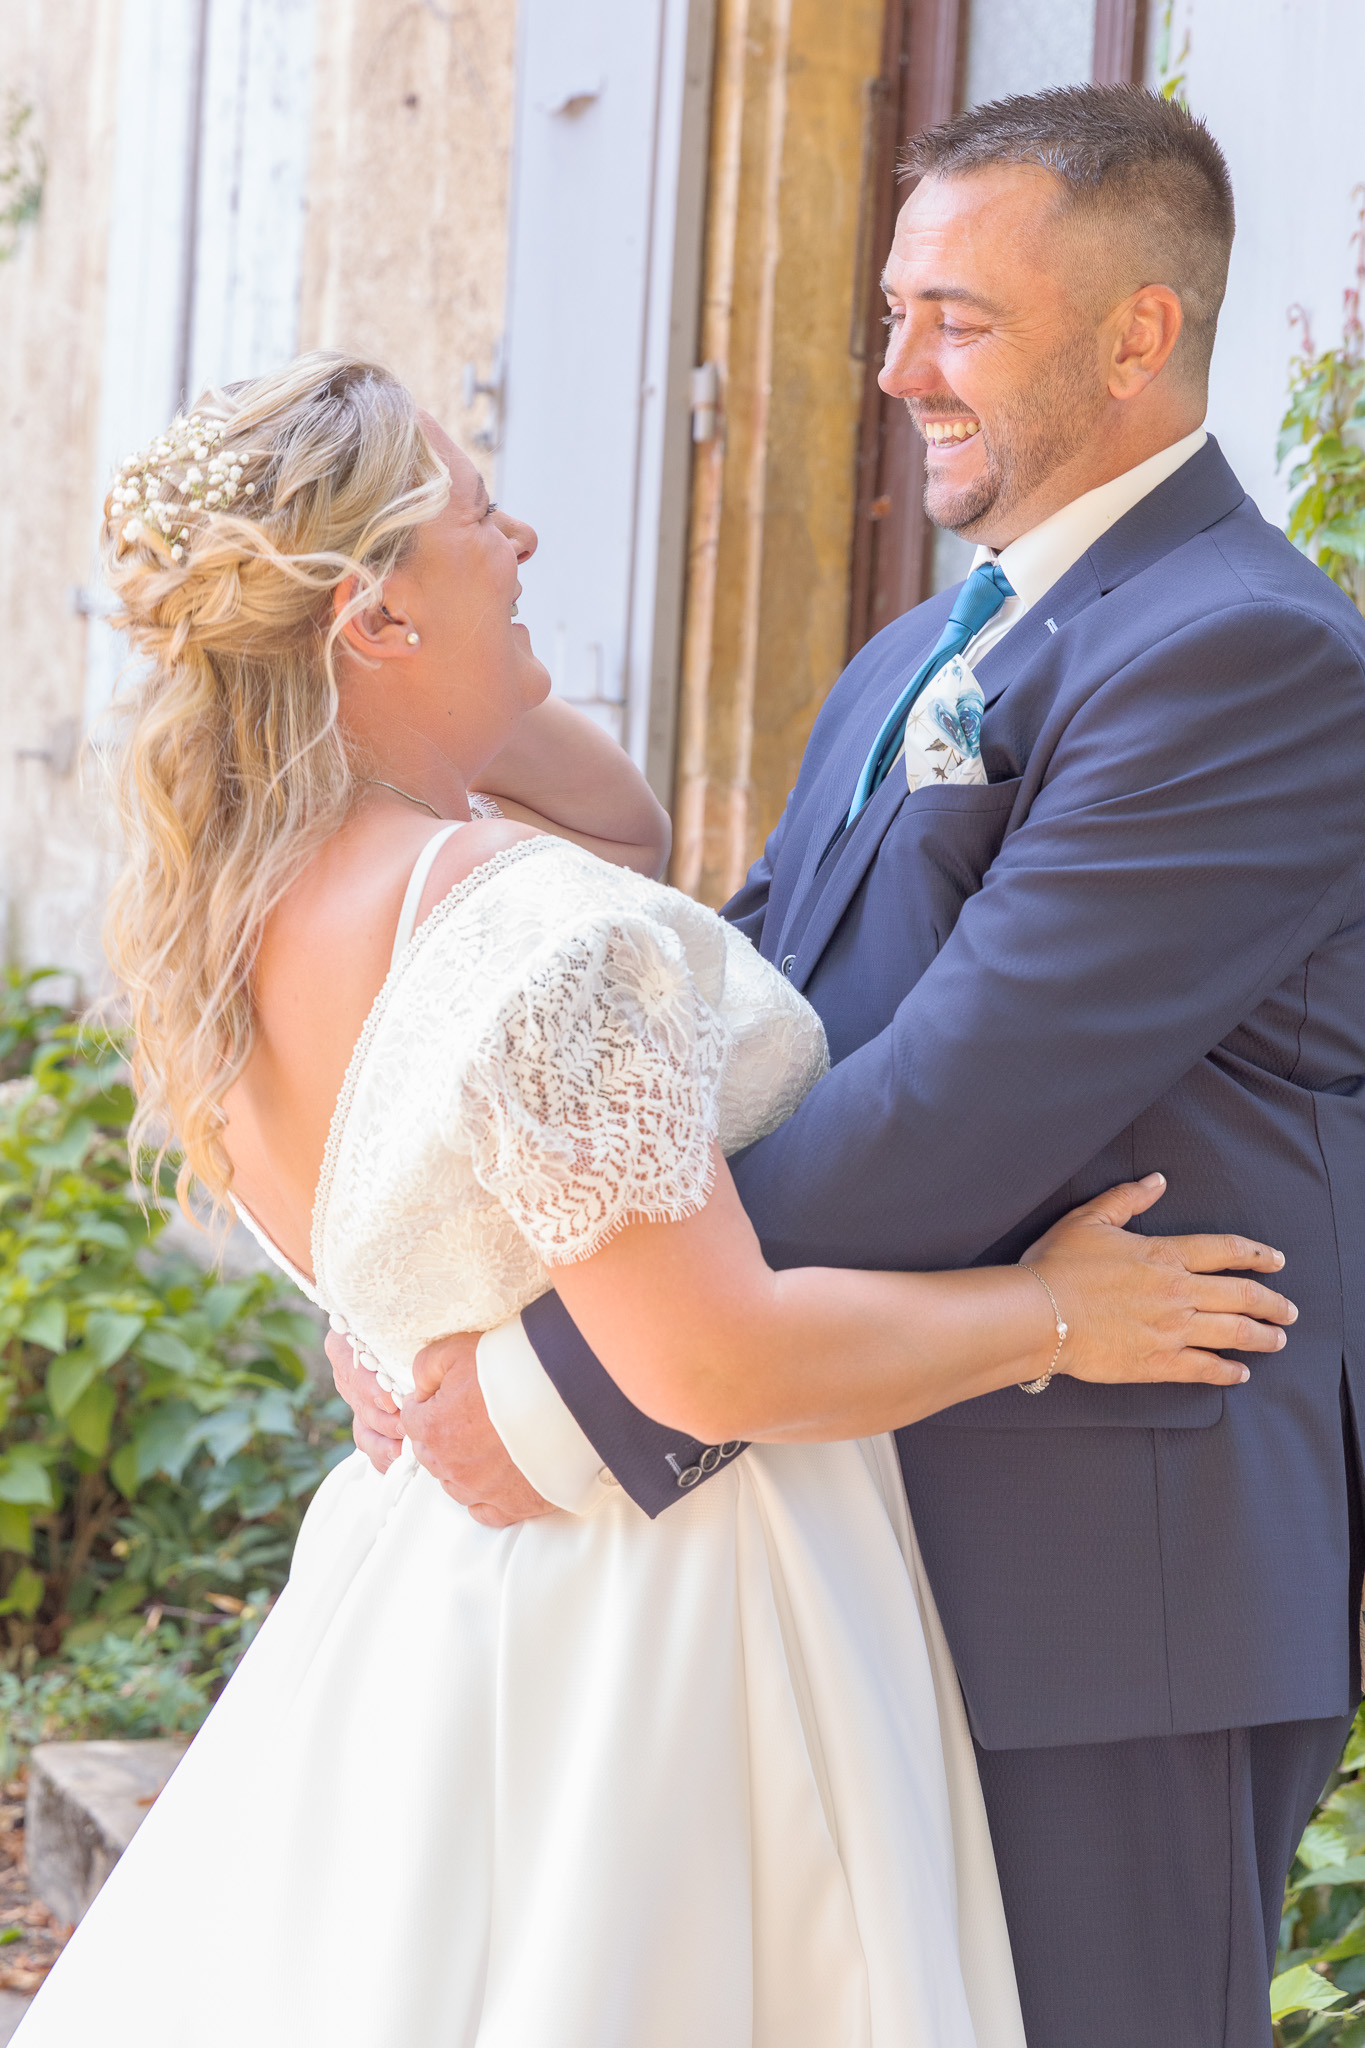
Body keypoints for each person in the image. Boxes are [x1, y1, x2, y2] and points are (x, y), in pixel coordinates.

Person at [15, 350, 1292, 2048]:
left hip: (432, 1587)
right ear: (370, 615)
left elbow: (613, 819)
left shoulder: (240, 929)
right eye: (479, 515)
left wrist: (394, 663)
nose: (525, 534)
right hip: (663, 1610)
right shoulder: (528, 935)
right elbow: (719, 1363)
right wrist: (1060, 1313)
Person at [334, 85, 1365, 2048]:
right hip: (854, 1531)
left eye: (955, 319)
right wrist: (448, 1275)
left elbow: (959, 1098)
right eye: (886, 311)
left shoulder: (1246, 654)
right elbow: (731, 1018)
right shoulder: (909, 660)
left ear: (1137, 335)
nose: (893, 368)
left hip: (1100, 1584)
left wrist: (562, 1371)